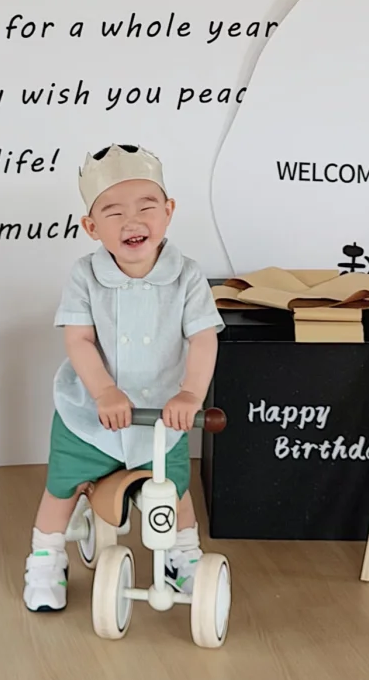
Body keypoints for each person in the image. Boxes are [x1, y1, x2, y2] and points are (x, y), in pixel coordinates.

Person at [23, 143, 223, 612]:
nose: (132, 222)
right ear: (91, 227)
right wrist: (104, 390)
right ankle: (46, 557)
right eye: (113, 213)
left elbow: (203, 338)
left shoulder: (188, 276)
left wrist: (191, 393)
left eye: (146, 208)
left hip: (161, 416)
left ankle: (182, 556)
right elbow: (79, 340)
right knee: (63, 485)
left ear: (168, 212)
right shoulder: (85, 275)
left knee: (174, 490)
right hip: (90, 414)